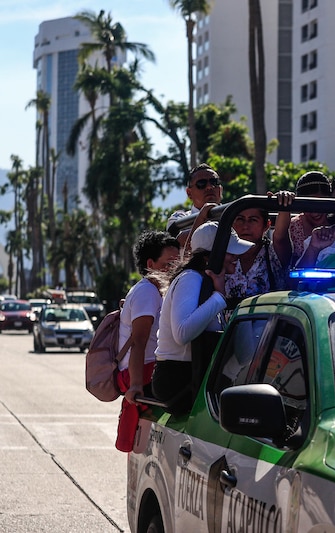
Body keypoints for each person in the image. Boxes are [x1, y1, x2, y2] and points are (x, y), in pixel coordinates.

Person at [151, 221, 253, 412]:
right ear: (211, 256)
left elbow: (245, 353)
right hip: (177, 381)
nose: (236, 258)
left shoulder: (207, 281)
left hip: (194, 375)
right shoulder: (190, 278)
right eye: (230, 252)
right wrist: (220, 297)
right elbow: (182, 333)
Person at [115, 231, 181, 452]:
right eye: (169, 264)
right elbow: (139, 342)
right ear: (151, 264)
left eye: (178, 263)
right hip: (142, 372)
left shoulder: (153, 290)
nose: (175, 269)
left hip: (146, 369)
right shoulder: (147, 293)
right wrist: (135, 386)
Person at [225, 207, 287, 302]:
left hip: (268, 316)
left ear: (266, 225)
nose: (245, 226)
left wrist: (284, 203)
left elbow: (281, 237)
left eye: (253, 220)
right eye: (240, 219)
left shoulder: (274, 252)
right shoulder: (224, 254)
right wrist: (203, 215)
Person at [272, 171, 332, 268]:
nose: (316, 211)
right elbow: (280, 240)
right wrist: (284, 202)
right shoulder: (293, 227)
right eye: (309, 204)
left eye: (321, 203)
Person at [166, 164, 225, 251]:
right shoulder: (179, 220)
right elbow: (182, 245)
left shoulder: (235, 214)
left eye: (214, 182)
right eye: (201, 184)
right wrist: (202, 217)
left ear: (221, 189)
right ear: (189, 193)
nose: (210, 187)